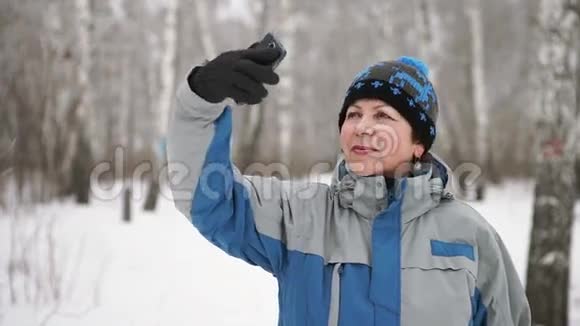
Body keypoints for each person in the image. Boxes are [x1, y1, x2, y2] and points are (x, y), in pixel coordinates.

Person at [167, 45, 531, 326]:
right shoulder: (301, 216)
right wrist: (200, 100)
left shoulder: (469, 236)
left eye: (383, 116)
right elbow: (208, 199)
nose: (362, 126)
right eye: (353, 114)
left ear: (419, 143)